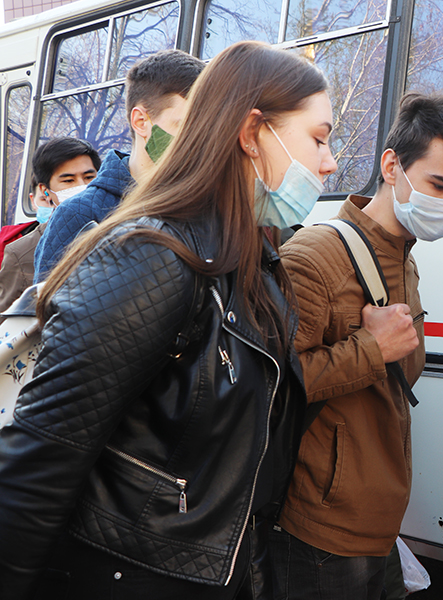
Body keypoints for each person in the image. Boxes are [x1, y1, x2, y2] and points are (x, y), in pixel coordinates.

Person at [0, 40, 337, 599]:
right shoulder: (150, 255)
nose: (329, 162)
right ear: (251, 133)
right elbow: (40, 460)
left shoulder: (258, 262)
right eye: (319, 138)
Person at [274, 92, 443, 600]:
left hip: (379, 520)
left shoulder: (405, 257)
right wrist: (371, 349)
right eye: (440, 185)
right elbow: (273, 386)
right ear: (392, 165)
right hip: (320, 529)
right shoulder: (313, 256)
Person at [32, 48, 204, 281]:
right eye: (184, 126)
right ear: (141, 121)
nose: (197, 140)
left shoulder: (203, 204)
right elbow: (47, 311)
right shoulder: (79, 214)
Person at [0, 137, 100, 311]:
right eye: (68, 181)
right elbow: (8, 327)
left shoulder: (123, 230)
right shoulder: (21, 253)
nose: (83, 186)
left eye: (89, 177)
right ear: (45, 190)